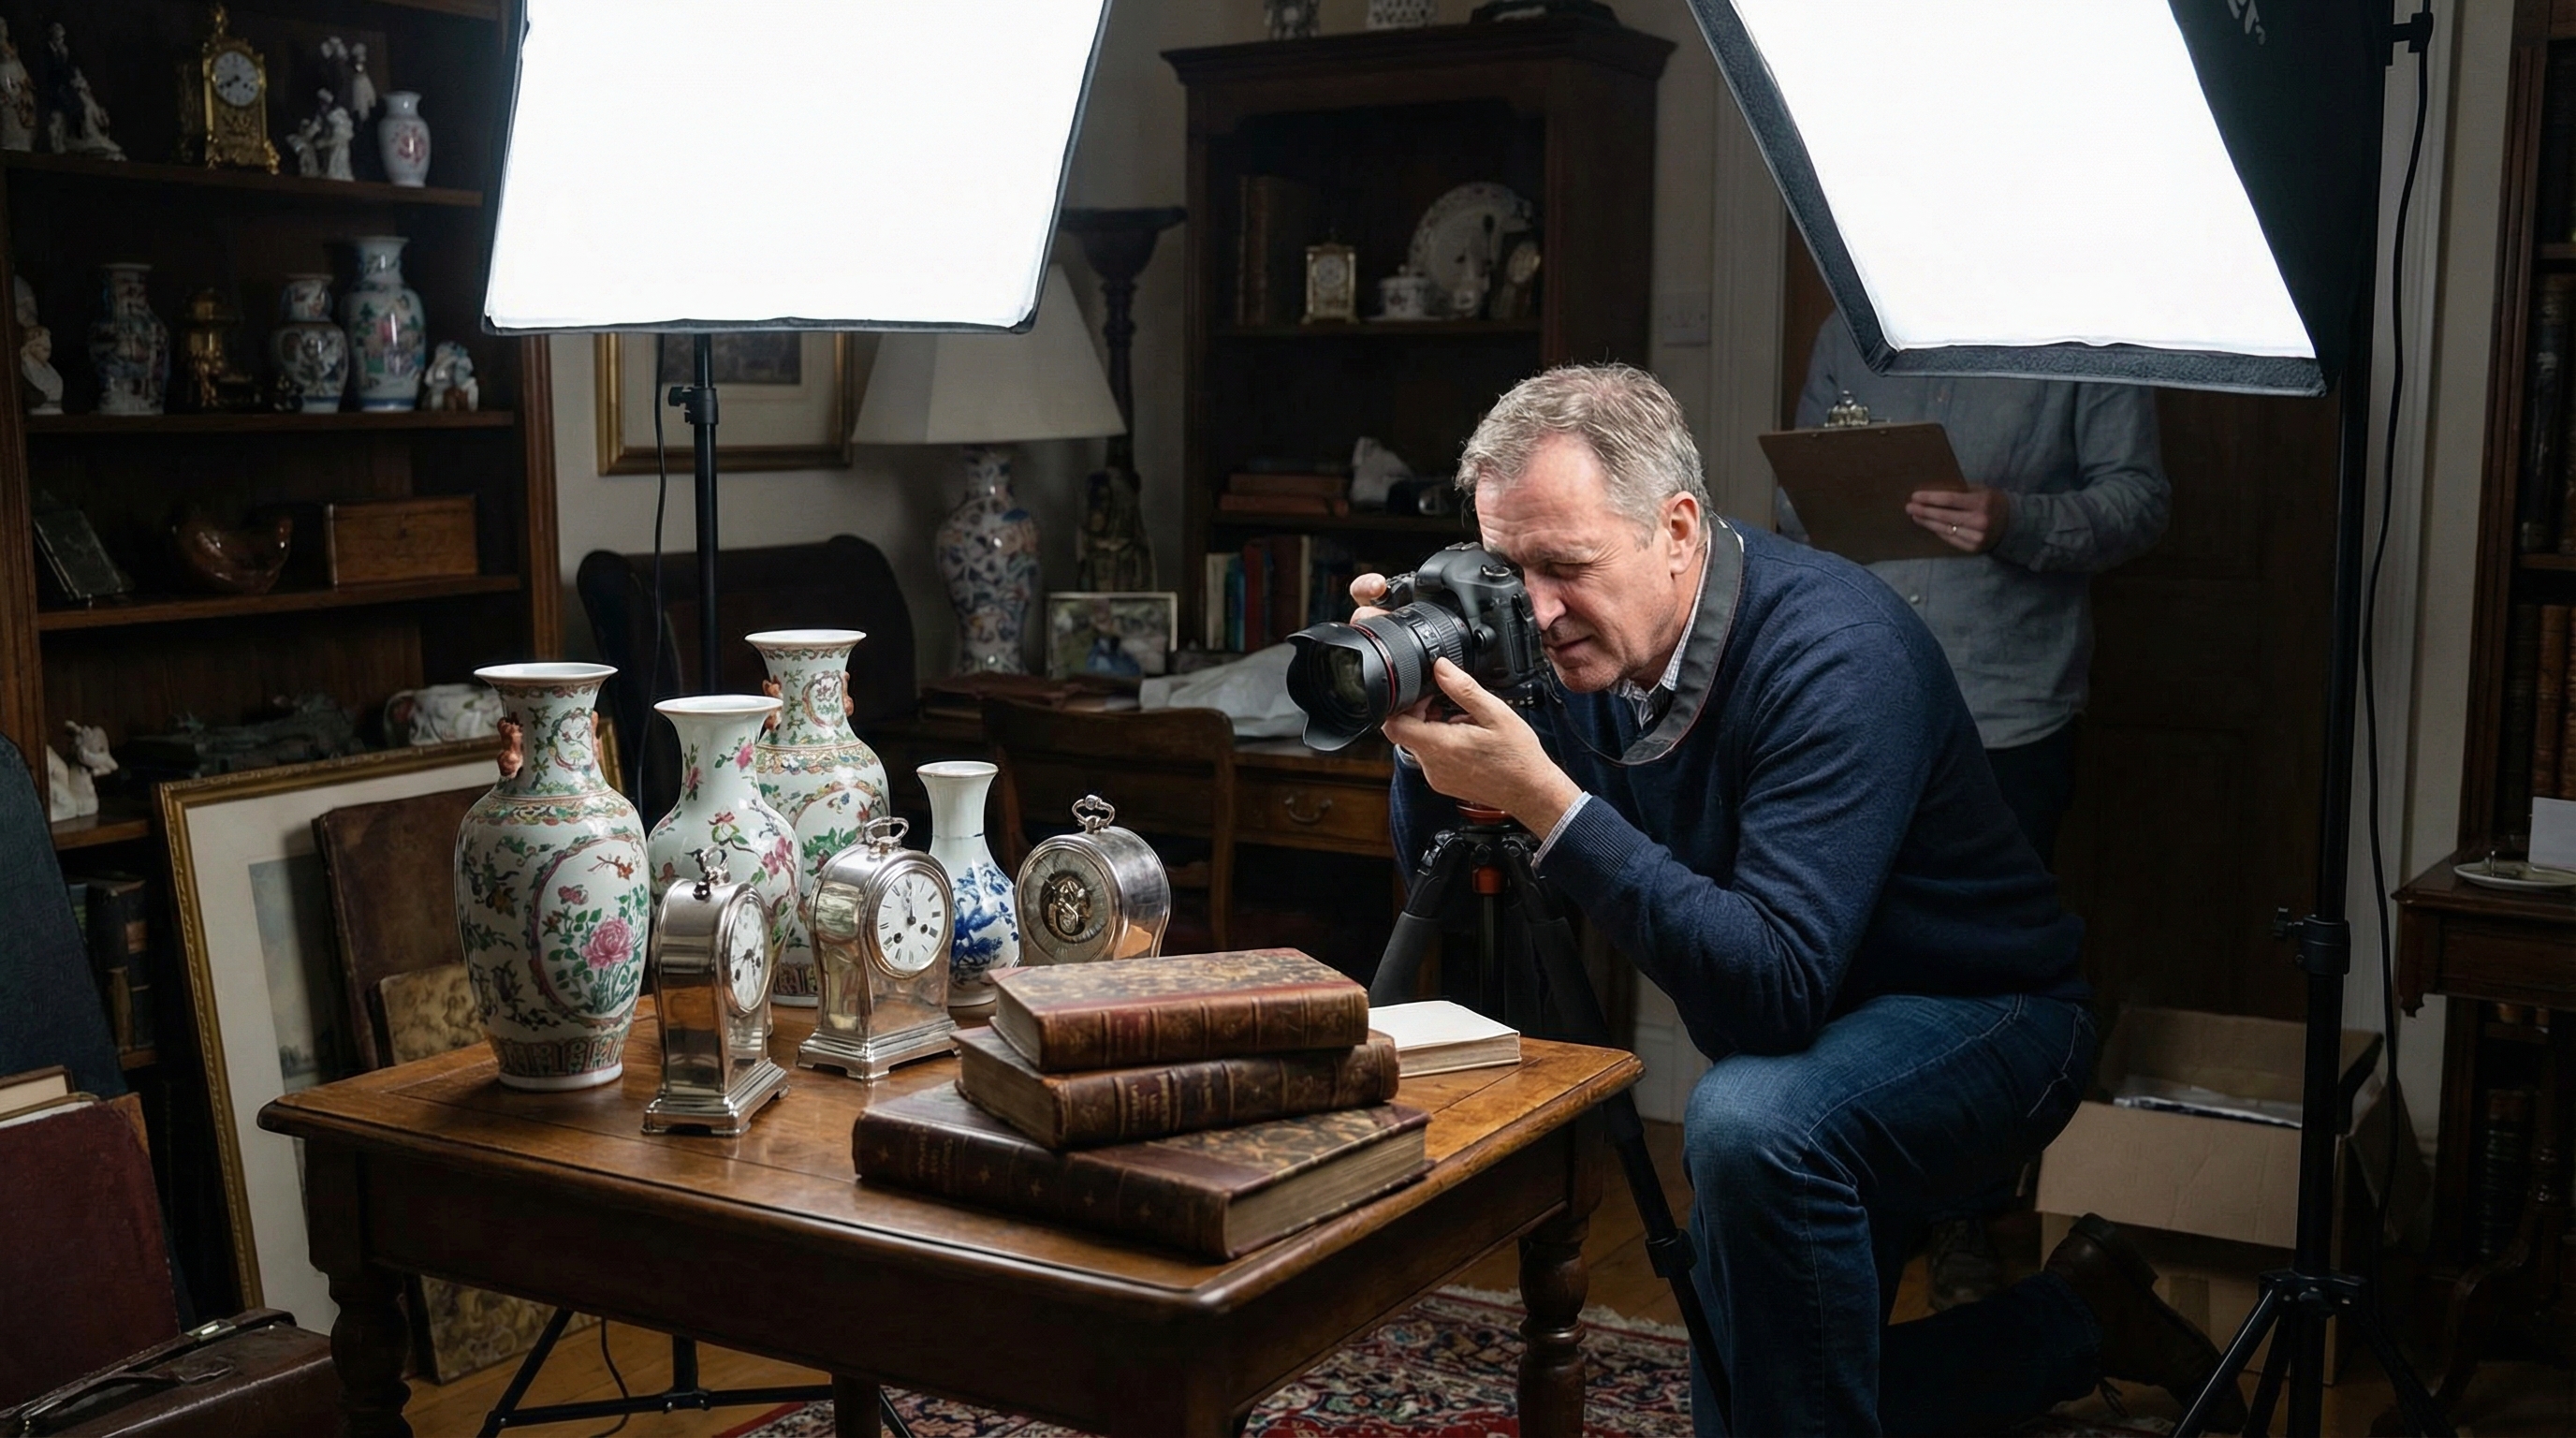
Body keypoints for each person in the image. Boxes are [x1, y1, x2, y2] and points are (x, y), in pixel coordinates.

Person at [1362, 364, 2238, 1436]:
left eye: (1566, 565)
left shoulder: (1836, 650)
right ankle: (2076, 1318)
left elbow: (1771, 990)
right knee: (1768, 1394)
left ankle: (2056, 1323)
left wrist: (1547, 801)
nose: (1536, 612)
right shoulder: (1573, 642)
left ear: (1677, 529)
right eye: (1506, 570)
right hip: (1799, 1014)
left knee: (1746, 1127)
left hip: (1985, 1014)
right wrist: (1421, 725)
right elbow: (1448, 884)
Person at [1787, 312, 2173, 1310]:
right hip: (1858, 705)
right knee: (1853, 964)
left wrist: (2018, 522)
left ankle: (1966, 1218)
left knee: (1975, 992)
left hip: (2007, 710)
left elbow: (2140, 502)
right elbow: (1796, 502)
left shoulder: (2093, 339)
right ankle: (1857, 1214)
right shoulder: (1851, 327)